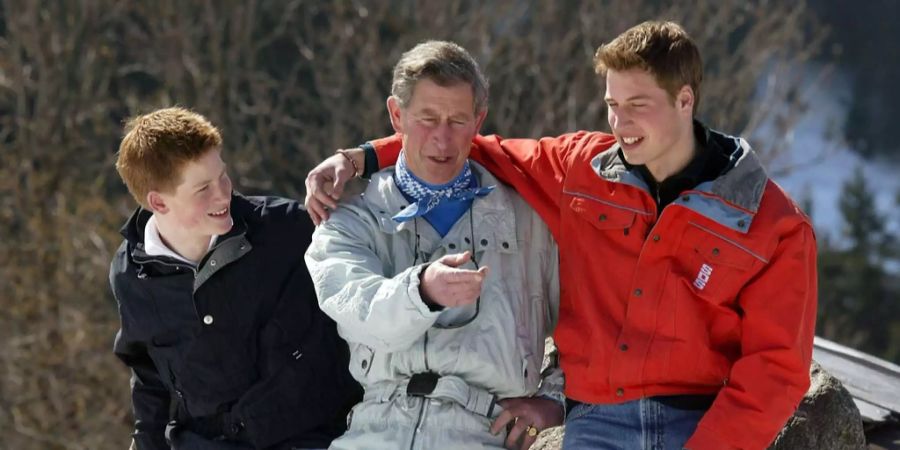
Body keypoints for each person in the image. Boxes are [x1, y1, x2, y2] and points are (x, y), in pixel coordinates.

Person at [306, 21, 818, 450]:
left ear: (685, 100)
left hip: (698, 423)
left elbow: (776, 369)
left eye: (638, 104)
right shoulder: (580, 170)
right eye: (612, 104)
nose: (620, 123)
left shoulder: (771, 223)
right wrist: (361, 157)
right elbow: (461, 147)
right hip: (596, 424)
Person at [303, 41, 565, 450]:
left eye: (457, 120)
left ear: (479, 120)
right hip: (373, 430)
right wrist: (421, 290)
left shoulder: (532, 221)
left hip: (485, 432)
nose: (442, 138)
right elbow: (357, 309)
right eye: (427, 118)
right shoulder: (351, 218)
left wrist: (556, 399)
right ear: (396, 115)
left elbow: (596, 319)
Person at [110, 107, 361, 450]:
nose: (223, 194)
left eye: (222, 177)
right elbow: (149, 374)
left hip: (314, 437)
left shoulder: (289, 231)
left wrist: (362, 159)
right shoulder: (131, 274)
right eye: (203, 189)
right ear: (158, 201)